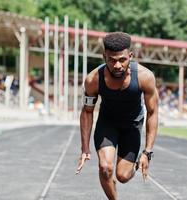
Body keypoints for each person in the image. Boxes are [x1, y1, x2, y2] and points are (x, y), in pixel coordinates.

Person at [76, 32, 159, 200]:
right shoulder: (93, 79)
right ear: (104, 56)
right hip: (108, 124)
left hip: (132, 125)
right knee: (105, 168)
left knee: (123, 176)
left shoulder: (145, 77)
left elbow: (152, 112)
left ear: (130, 56)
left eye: (122, 59)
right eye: (112, 60)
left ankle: (133, 165)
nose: (117, 65)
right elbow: (87, 111)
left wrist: (147, 152)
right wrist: (85, 147)